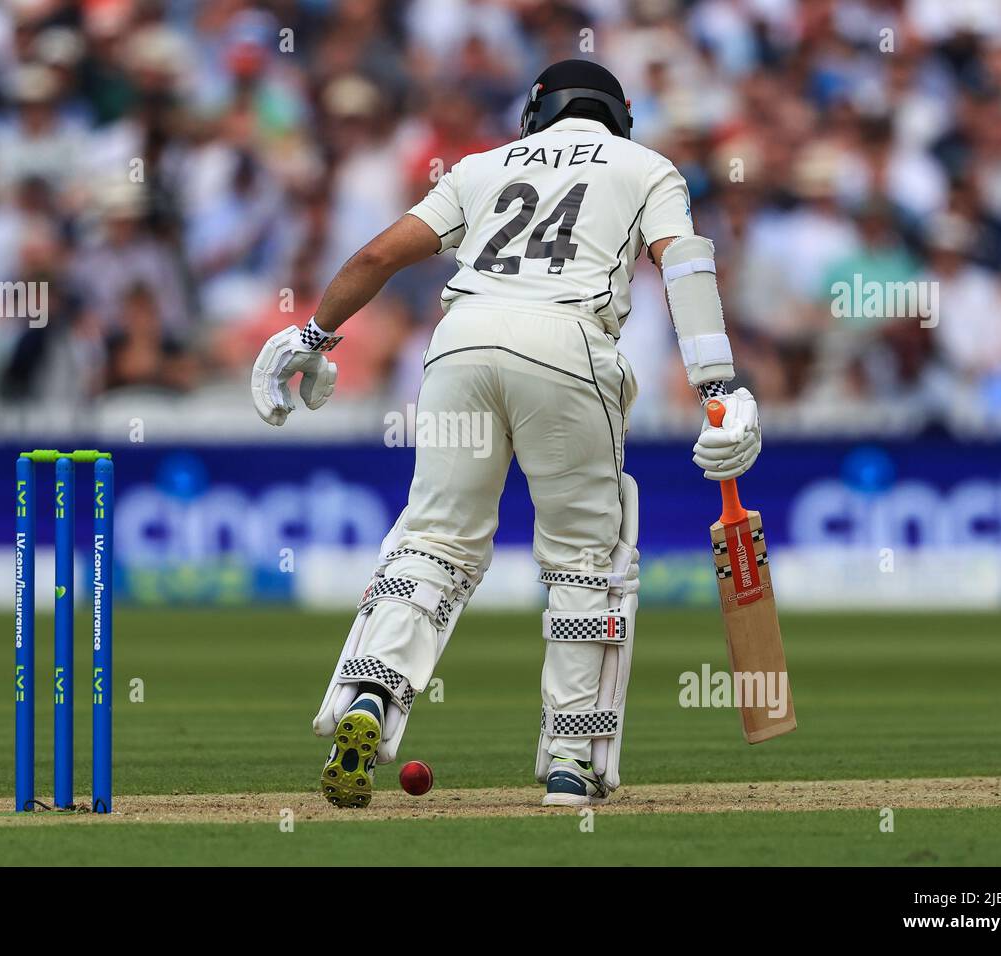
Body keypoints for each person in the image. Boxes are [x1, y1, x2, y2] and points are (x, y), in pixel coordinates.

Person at [251, 60, 762, 808]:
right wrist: (718, 385)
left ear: (537, 111)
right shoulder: (648, 167)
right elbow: (682, 264)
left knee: (434, 539)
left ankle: (369, 698)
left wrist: (315, 335)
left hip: (460, 344)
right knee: (586, 560)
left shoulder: (482, 166)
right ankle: (570, 761)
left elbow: (377, 256)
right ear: (618, 113)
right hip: (568, 342)